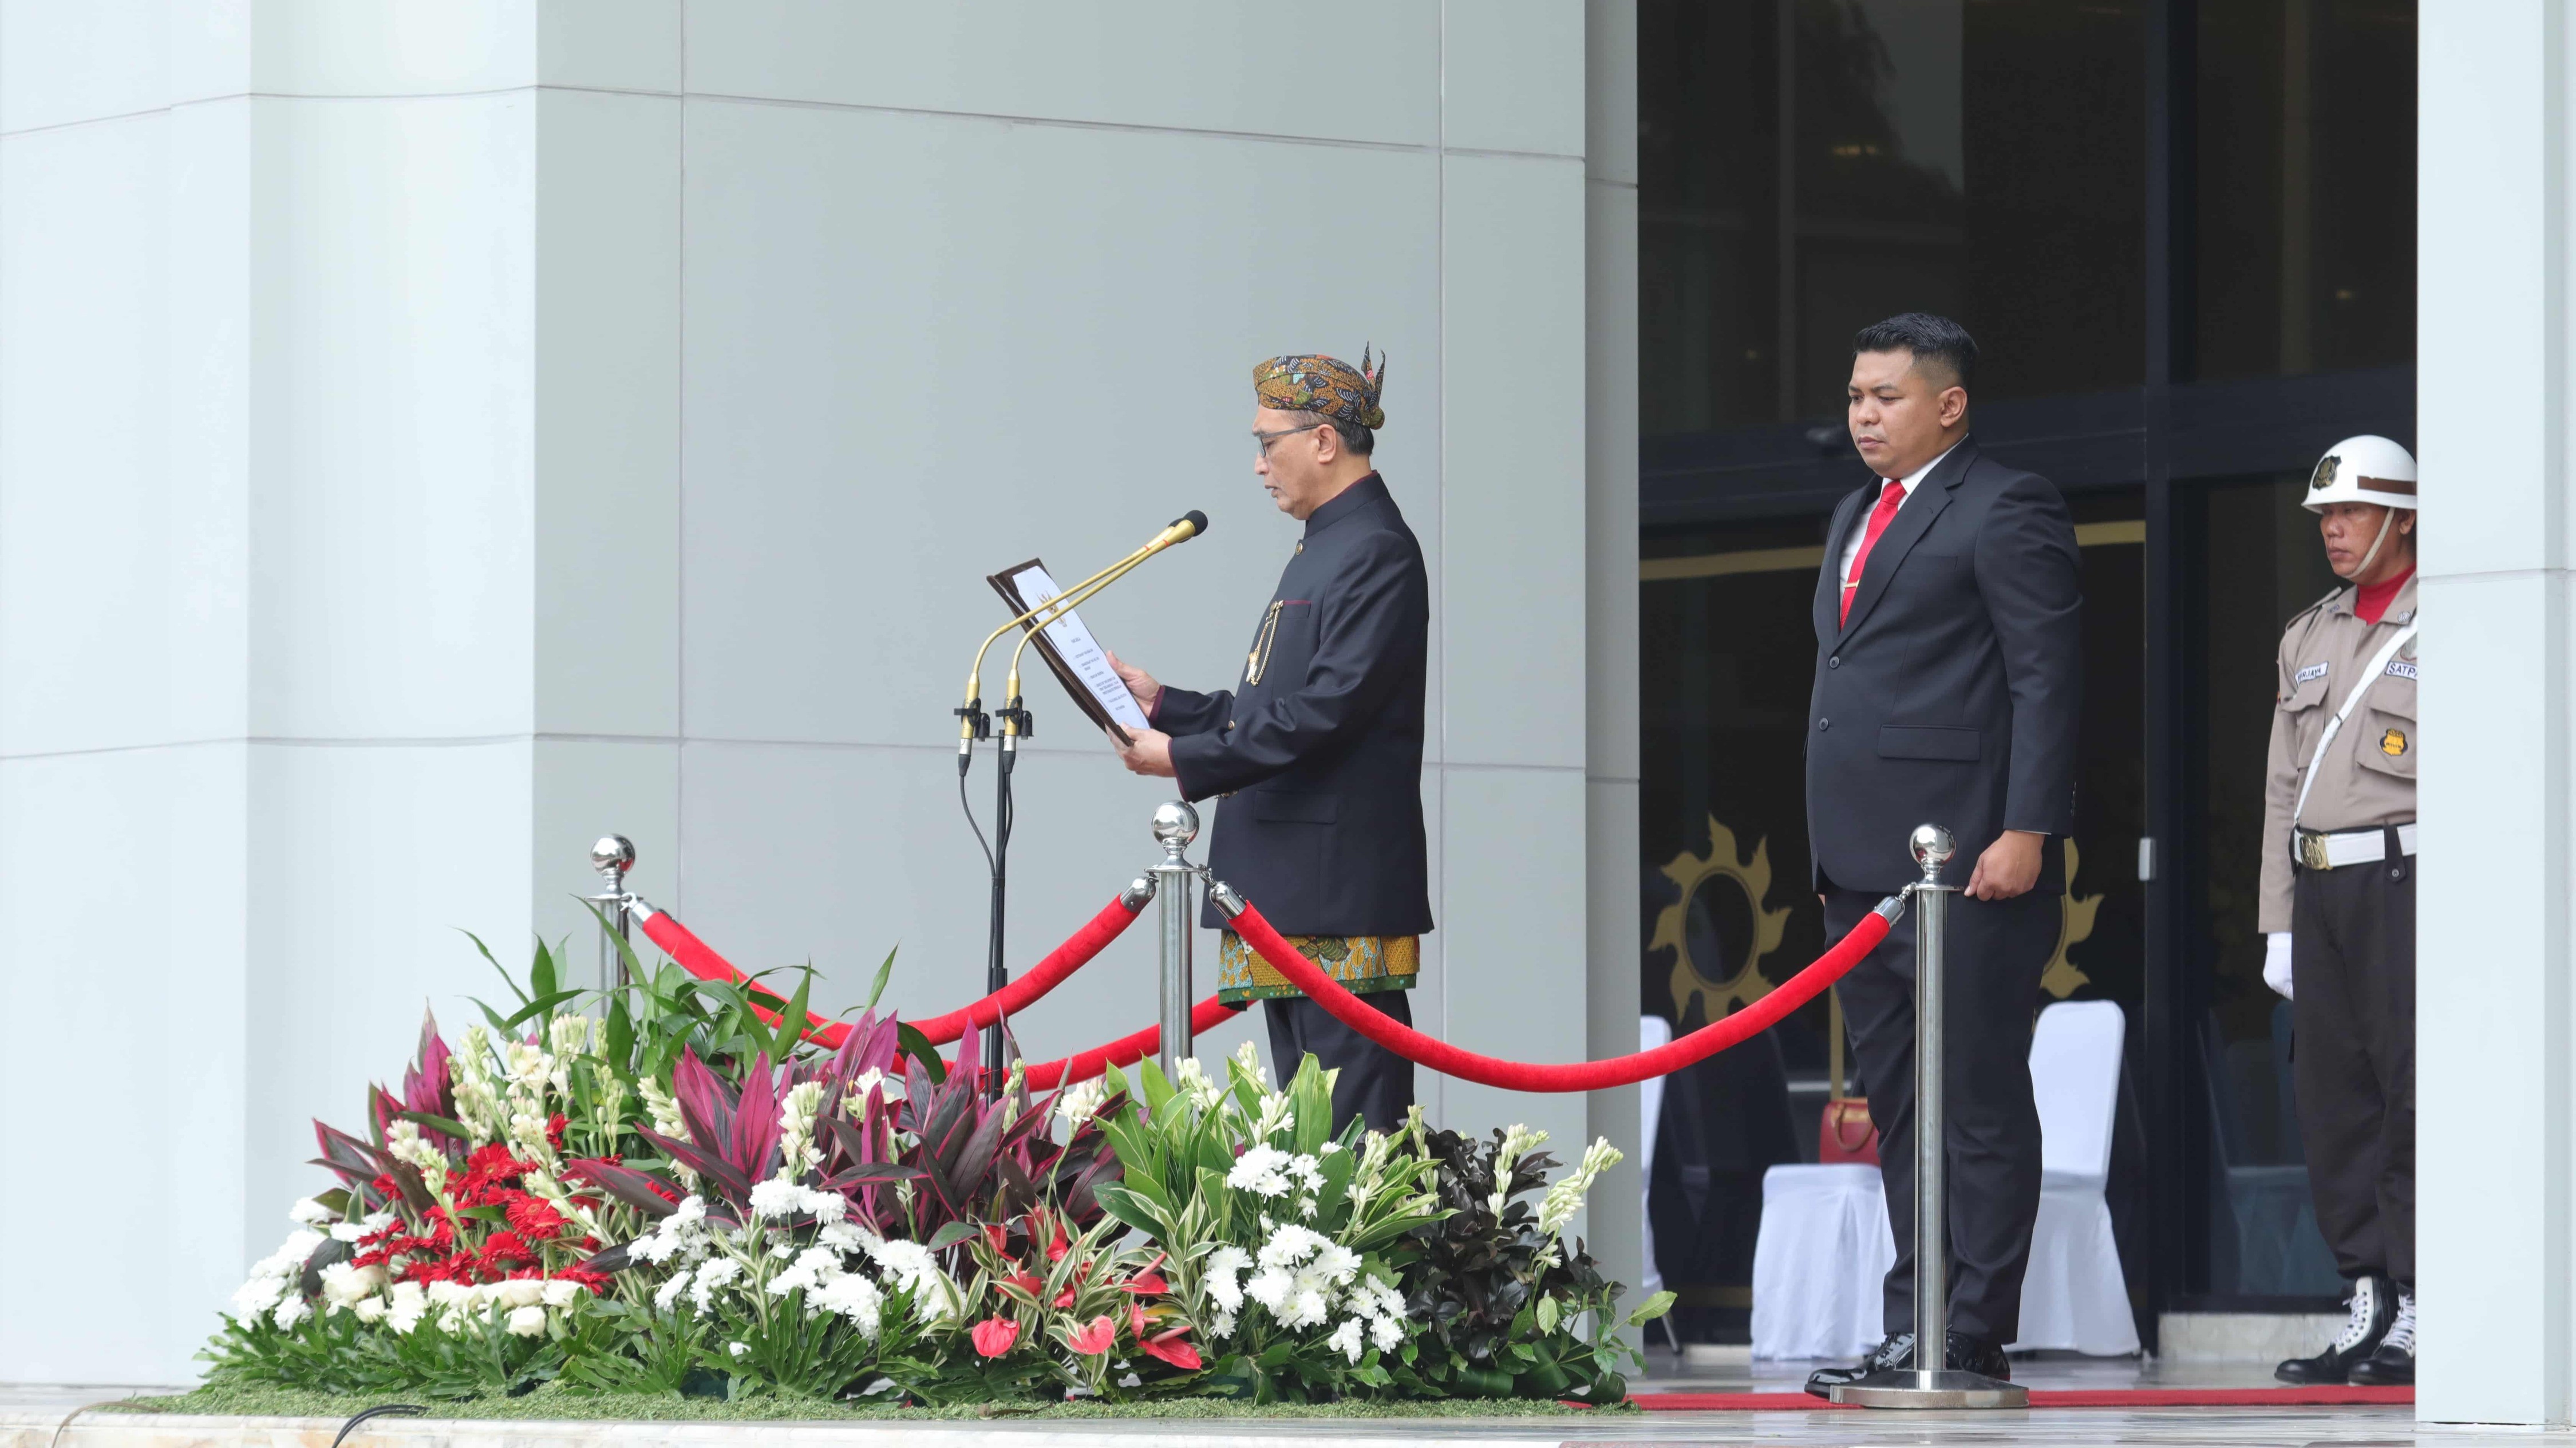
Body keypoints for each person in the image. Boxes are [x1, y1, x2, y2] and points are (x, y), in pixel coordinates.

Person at [1801, 314, 2083, 1397]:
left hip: (1966, 856)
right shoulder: (1853, 514)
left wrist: (2029, 827)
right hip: (1863, 867)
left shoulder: (2007, 504)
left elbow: (2045, 678)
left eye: (1887, 397)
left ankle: (1973, 1327)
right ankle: (1915, 1314)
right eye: (1858, 396)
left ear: (1949, 404)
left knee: (1972, 1095)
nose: (1864, 414)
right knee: (1902, 1105)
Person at [1103, 349, 1430, 1133]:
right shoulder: (1331, 540)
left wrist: (1182, 759)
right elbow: (1285, 708)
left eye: (1267, 441)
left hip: (1334, 894)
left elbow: (1323, 715)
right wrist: (1169, 705)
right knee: (1310, 1151)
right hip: (1300, 888)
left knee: (1351, 1154)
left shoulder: (1375, 548)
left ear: (1324, 440)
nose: (1257, 465)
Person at [2260, 435, 2420, 1387]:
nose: (2335, 529)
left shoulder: (2445, 619)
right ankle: (2367, 1295)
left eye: (2353, 512)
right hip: (2320, 886)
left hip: (2407, 882)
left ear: (2404, 517)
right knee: (2334, 1101)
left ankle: (2422, 1298)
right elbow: (2283, 785)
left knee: (2412, 1093)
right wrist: (2278, 917)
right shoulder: (2307, 632)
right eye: (2324, 515)